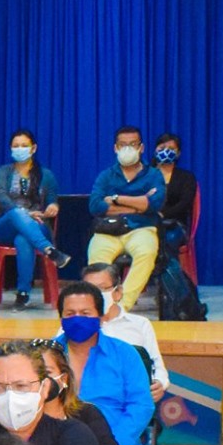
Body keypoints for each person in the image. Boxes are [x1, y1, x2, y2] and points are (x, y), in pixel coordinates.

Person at [55, 281, 152, 445]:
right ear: (61, 319)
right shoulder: (45, 356)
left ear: (100, 317)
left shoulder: (125, 354)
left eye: (85, 313)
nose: (77, 319)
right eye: (70, 314)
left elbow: (141, 405)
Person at [85, 125, 167, 312]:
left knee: (146, 253)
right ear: (115, 148)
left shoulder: (153, 175)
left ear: (141, 148)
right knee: (97, 261)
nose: (128, 149)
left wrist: (115, 199)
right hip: (108, 231)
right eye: (123, 145)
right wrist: (139, 204)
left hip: (142, 229)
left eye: (133, 144)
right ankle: (102, 306)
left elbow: (155, 204)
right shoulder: (106, 176)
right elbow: (95, 206)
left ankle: (121, 307)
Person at [0, 129, 69, 309]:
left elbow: (52, 200)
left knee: (23, 239)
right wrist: (25, 212)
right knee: (17, 213)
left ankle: (23, 293)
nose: (20, 149)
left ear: (33, 148)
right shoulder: (4, 171)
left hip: (37, 225)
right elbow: (1, 197)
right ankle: (50, 250)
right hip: (6, 225)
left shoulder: (46, 175)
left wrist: (53, 206)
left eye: (24, 146)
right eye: (16, 146)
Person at [81, 262, 165, 402]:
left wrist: (160, 383)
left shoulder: (140, 325)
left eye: (101, 289)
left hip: (131, 402)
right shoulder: (74, 326)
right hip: (87, 402)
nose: (95, 295)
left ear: (118, 292)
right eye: (89, 290)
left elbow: (157, 365)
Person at [154, 132, 198, 247]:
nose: (166, 151)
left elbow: (185, 204)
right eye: (162, 148)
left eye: (171, 149)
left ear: (178, 153)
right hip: (147, 223)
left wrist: (162, 214)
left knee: (168, 238)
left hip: (174, 224)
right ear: (155, 150)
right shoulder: (146, 174)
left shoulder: (186, 177)